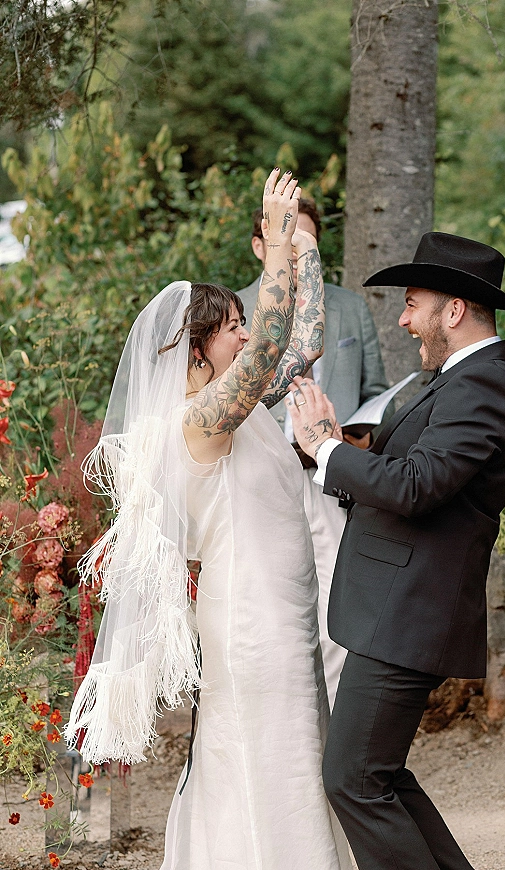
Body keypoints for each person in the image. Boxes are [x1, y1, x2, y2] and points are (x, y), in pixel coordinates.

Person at [64, 168, 351, 870]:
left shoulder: (240, 405)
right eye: (232, 328)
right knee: (269, 761)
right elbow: (271, 344)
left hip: (279, 615)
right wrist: (276, 242)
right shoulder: (201, 421)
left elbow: (303, 337)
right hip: (249, 626)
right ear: (198, 349)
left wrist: (304, 242)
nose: (246, 335)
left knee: (288, 757)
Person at [287, 231, 505, 870]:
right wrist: (339, 452)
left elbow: (420, 486)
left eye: (412, 303)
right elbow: (408, 469)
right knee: (380, 774)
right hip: (396, 603)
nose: (402, 319)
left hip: (411, 608)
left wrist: (327, 449)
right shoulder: (456, 377)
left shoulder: (484, 383)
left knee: (354, 779)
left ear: (452, 310)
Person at [238, 199, 387, 706]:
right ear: (261, 247)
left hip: (331, 478)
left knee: (337, 601)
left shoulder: (350, 306)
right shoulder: (235, 316)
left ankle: (338, 724)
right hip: (260, 479)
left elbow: (376, 393)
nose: (299, 259)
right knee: (269, 601)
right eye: (287, 246)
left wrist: (359, 440)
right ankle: (284, 710)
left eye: (306, 246)